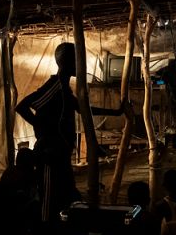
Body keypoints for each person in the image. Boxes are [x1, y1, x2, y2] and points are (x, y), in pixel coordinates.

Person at [15, 42, 124, 223]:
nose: (80, 65)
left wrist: (116, 112)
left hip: (61, 155)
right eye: (77, 60)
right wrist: (44, 129)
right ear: (67, 62)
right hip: (49, 156)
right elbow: (22, 107)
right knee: (48, 203)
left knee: (67, 198)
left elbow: (84, 109)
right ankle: (45, 233)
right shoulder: (55, 87)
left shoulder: (64, 89)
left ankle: (59, 232)